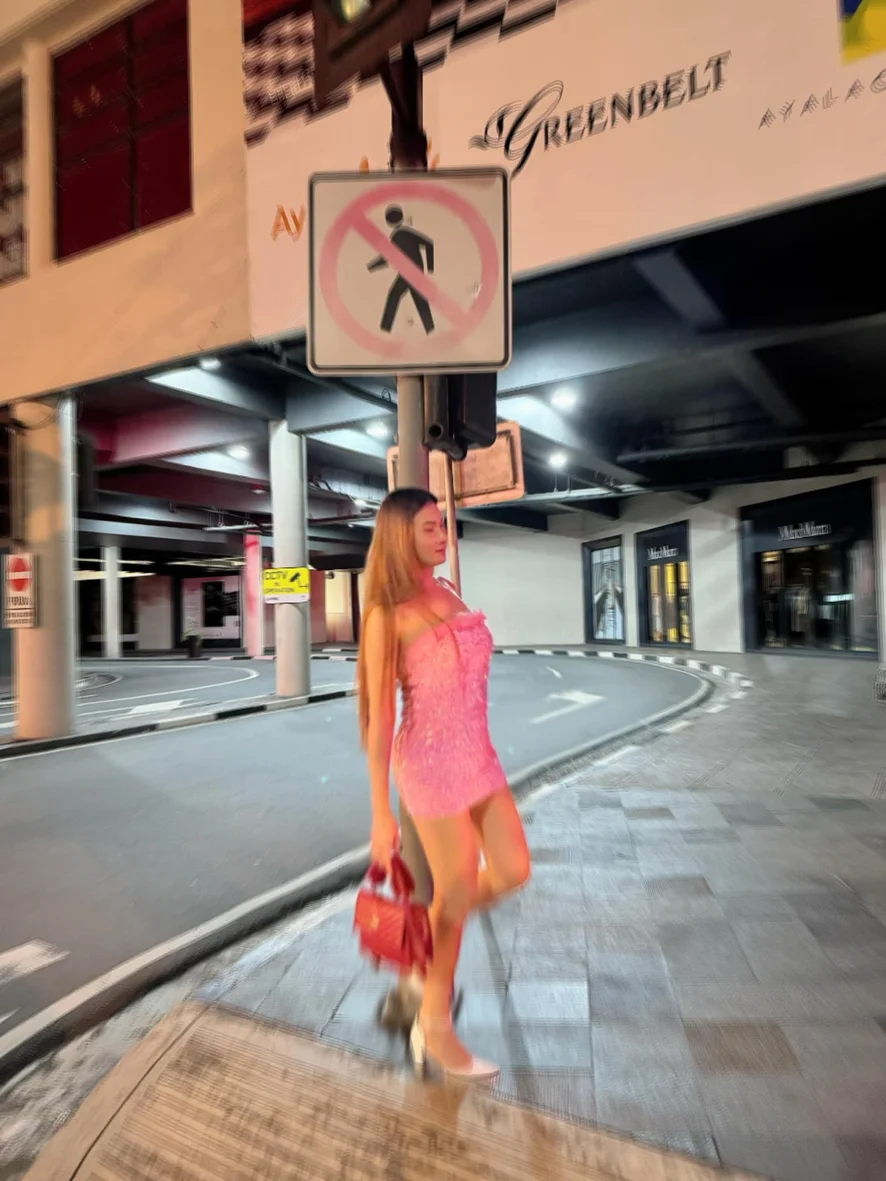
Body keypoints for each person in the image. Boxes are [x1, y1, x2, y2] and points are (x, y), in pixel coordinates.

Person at [356, 488, 530, 1080]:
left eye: (443, 525)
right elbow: (380, 718)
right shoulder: (386, 615)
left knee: (512, 869)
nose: (442, 536)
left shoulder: (449, 590)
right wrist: (381, 813)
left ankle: (424, 943)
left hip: (478, 754)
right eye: (429, 528)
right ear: (400, 535)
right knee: (453, 892)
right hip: (427, 764)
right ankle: (434, 1027)